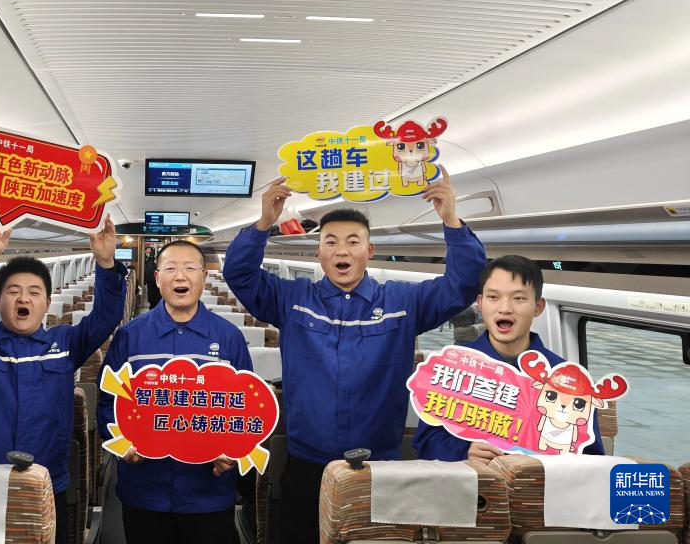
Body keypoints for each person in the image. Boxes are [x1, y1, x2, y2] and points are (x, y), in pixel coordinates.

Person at [222, 170, 486, 544]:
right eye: (330, 242)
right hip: (306, 463)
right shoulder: (292, 299)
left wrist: (452, 222)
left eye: (352, 241)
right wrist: (264, 223)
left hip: (380, 466)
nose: (341, 250)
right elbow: (238, 274)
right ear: (318, 252)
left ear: (369, 251)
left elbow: (463, 285)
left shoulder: (402, 302)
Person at [0, 212, 126, 544]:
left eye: (34, 292)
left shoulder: (65, 344)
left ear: (47, 303)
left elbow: (106, 317)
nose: (23, 298)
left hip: (46, 483)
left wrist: (106, 263)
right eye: (14, 291)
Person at [97, 240, 252, 544]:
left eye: (190, 268)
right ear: (157, 278)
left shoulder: (229, 338)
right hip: (145, 492)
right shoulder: (130, 337)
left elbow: (245, 408)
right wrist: (121, 443)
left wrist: (234, 451)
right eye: (170, 269)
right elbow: (108, 402)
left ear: (204, 277)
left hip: (208, 495)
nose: (180, 276)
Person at [414, 255, 604, 462]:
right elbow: (426, 442)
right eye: (493, 297)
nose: (505, 308)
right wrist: (464, 451)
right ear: (480, 303)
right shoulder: (452, 369)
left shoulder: (569, 380)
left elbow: (590, 458)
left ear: (538, 306)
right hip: (470, 480)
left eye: (518, 298)